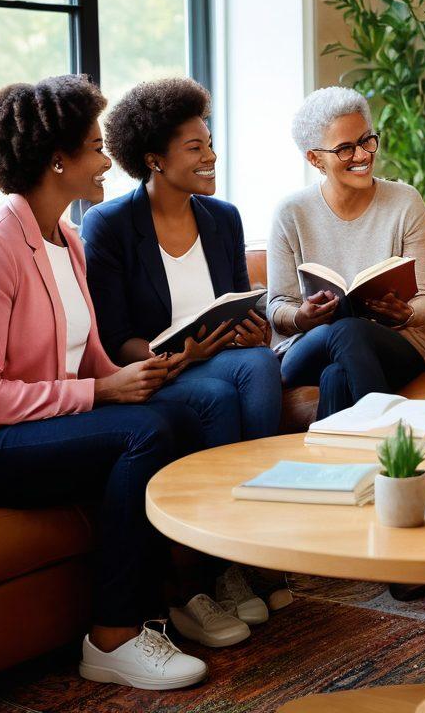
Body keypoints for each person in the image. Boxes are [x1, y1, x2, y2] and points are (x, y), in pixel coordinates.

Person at [0, 75, 208, 690]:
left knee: (175, 414)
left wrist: (144, 371)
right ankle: (112, 638)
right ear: (57, 160)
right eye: (96, 148)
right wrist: (102, 393)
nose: (107, 163)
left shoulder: (66, 238)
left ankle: (162, 604)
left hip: (33, 427)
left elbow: (89, 354)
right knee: (141, 435)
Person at [81, 77, 283, 641]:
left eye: (209, 143)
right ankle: (221, 568)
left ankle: (244, 546)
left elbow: (240, 298)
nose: (211, 156)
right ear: (154, 159)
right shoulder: (110, 225)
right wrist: (169, 353)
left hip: (219, 358)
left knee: (262, 364)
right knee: (218, 395)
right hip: (158, 369)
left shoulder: (223, 217)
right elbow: (113, 333)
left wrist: (250, 329)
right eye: (195, 148)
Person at [268, 86, 425, 420]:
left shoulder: (405, 202)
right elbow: (277, 307)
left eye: (366, 140)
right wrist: (302, 317)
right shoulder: (291, 212)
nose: (362, 156)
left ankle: (333, 465)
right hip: (308, 346)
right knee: (345, 331)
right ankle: (391, 439)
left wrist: (403, 314)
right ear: (315, 158)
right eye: (345, 148)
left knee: (337, 374)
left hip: (397, 344)